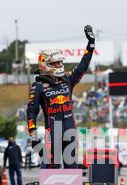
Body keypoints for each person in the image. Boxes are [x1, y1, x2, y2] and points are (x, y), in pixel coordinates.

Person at [27, 25, 95, 169]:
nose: (59, 65)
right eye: (55, 63)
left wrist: (91, 45)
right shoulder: (38, 86)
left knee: (72, 169)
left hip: (70, 131)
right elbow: (31, 112)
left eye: (59, 62)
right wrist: (33, 138)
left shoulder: (67, 79)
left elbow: (82, 66)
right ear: (45, 64)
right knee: (53, 170)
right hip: (52, 135)